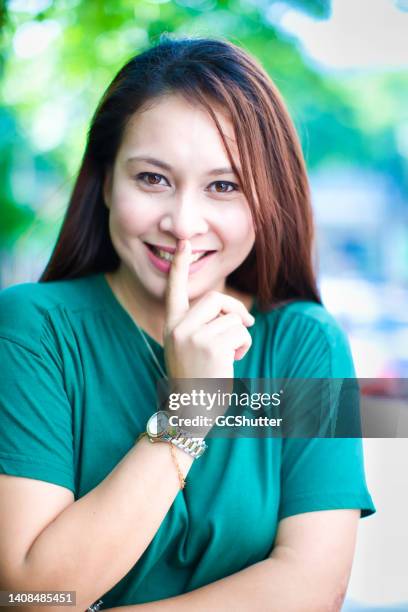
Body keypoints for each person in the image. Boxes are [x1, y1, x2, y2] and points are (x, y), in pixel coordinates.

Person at [0, 35, 375, 611]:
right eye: (152, 178)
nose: (184, 223)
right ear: (104, 182)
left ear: (266, 203)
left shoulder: (305, 346)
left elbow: (312, 587)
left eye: (223, 187)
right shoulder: (33, 331)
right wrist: (188, 415)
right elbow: (34, 594)